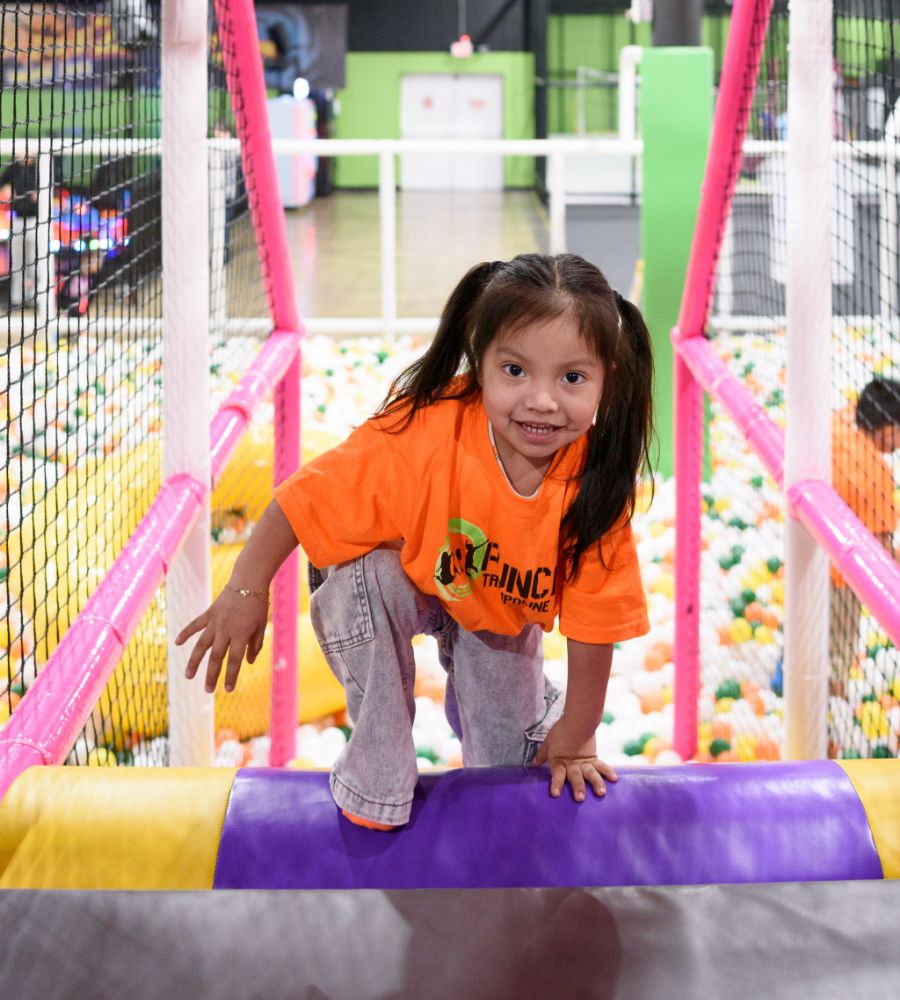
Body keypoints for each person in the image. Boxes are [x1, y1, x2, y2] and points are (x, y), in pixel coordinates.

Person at [176, 253, 654, 829]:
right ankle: (377, 774)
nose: (542, 401)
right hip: (410, 578)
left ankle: (529, 729)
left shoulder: (594, 481)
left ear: (607, 378)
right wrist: (244, 591)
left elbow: (595, 626)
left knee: (510, 776)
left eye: (572, 378)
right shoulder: (428, 428)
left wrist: (575, 738)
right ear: (481, 366)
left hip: (500, 617)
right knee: (360, 577)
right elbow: (305, 497)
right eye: (515, 371)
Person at [830, 377, 900, 685]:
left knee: (807, 623)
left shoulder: (840, 422)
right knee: (839, 640)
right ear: (886, 428)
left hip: (809, 553)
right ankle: (832, 702)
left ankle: (785, 672)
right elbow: (882, 547)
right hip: (841, 577)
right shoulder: (877, 475)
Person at [0, 156, 39, 309]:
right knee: (16, 262)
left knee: (35, 262)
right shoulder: (13, 168)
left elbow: (55, 186)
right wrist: (6, 189)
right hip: (16, 220)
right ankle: (17, 298)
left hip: (36, 221)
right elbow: (2, 183)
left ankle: (35, 298)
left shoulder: (38, 169)